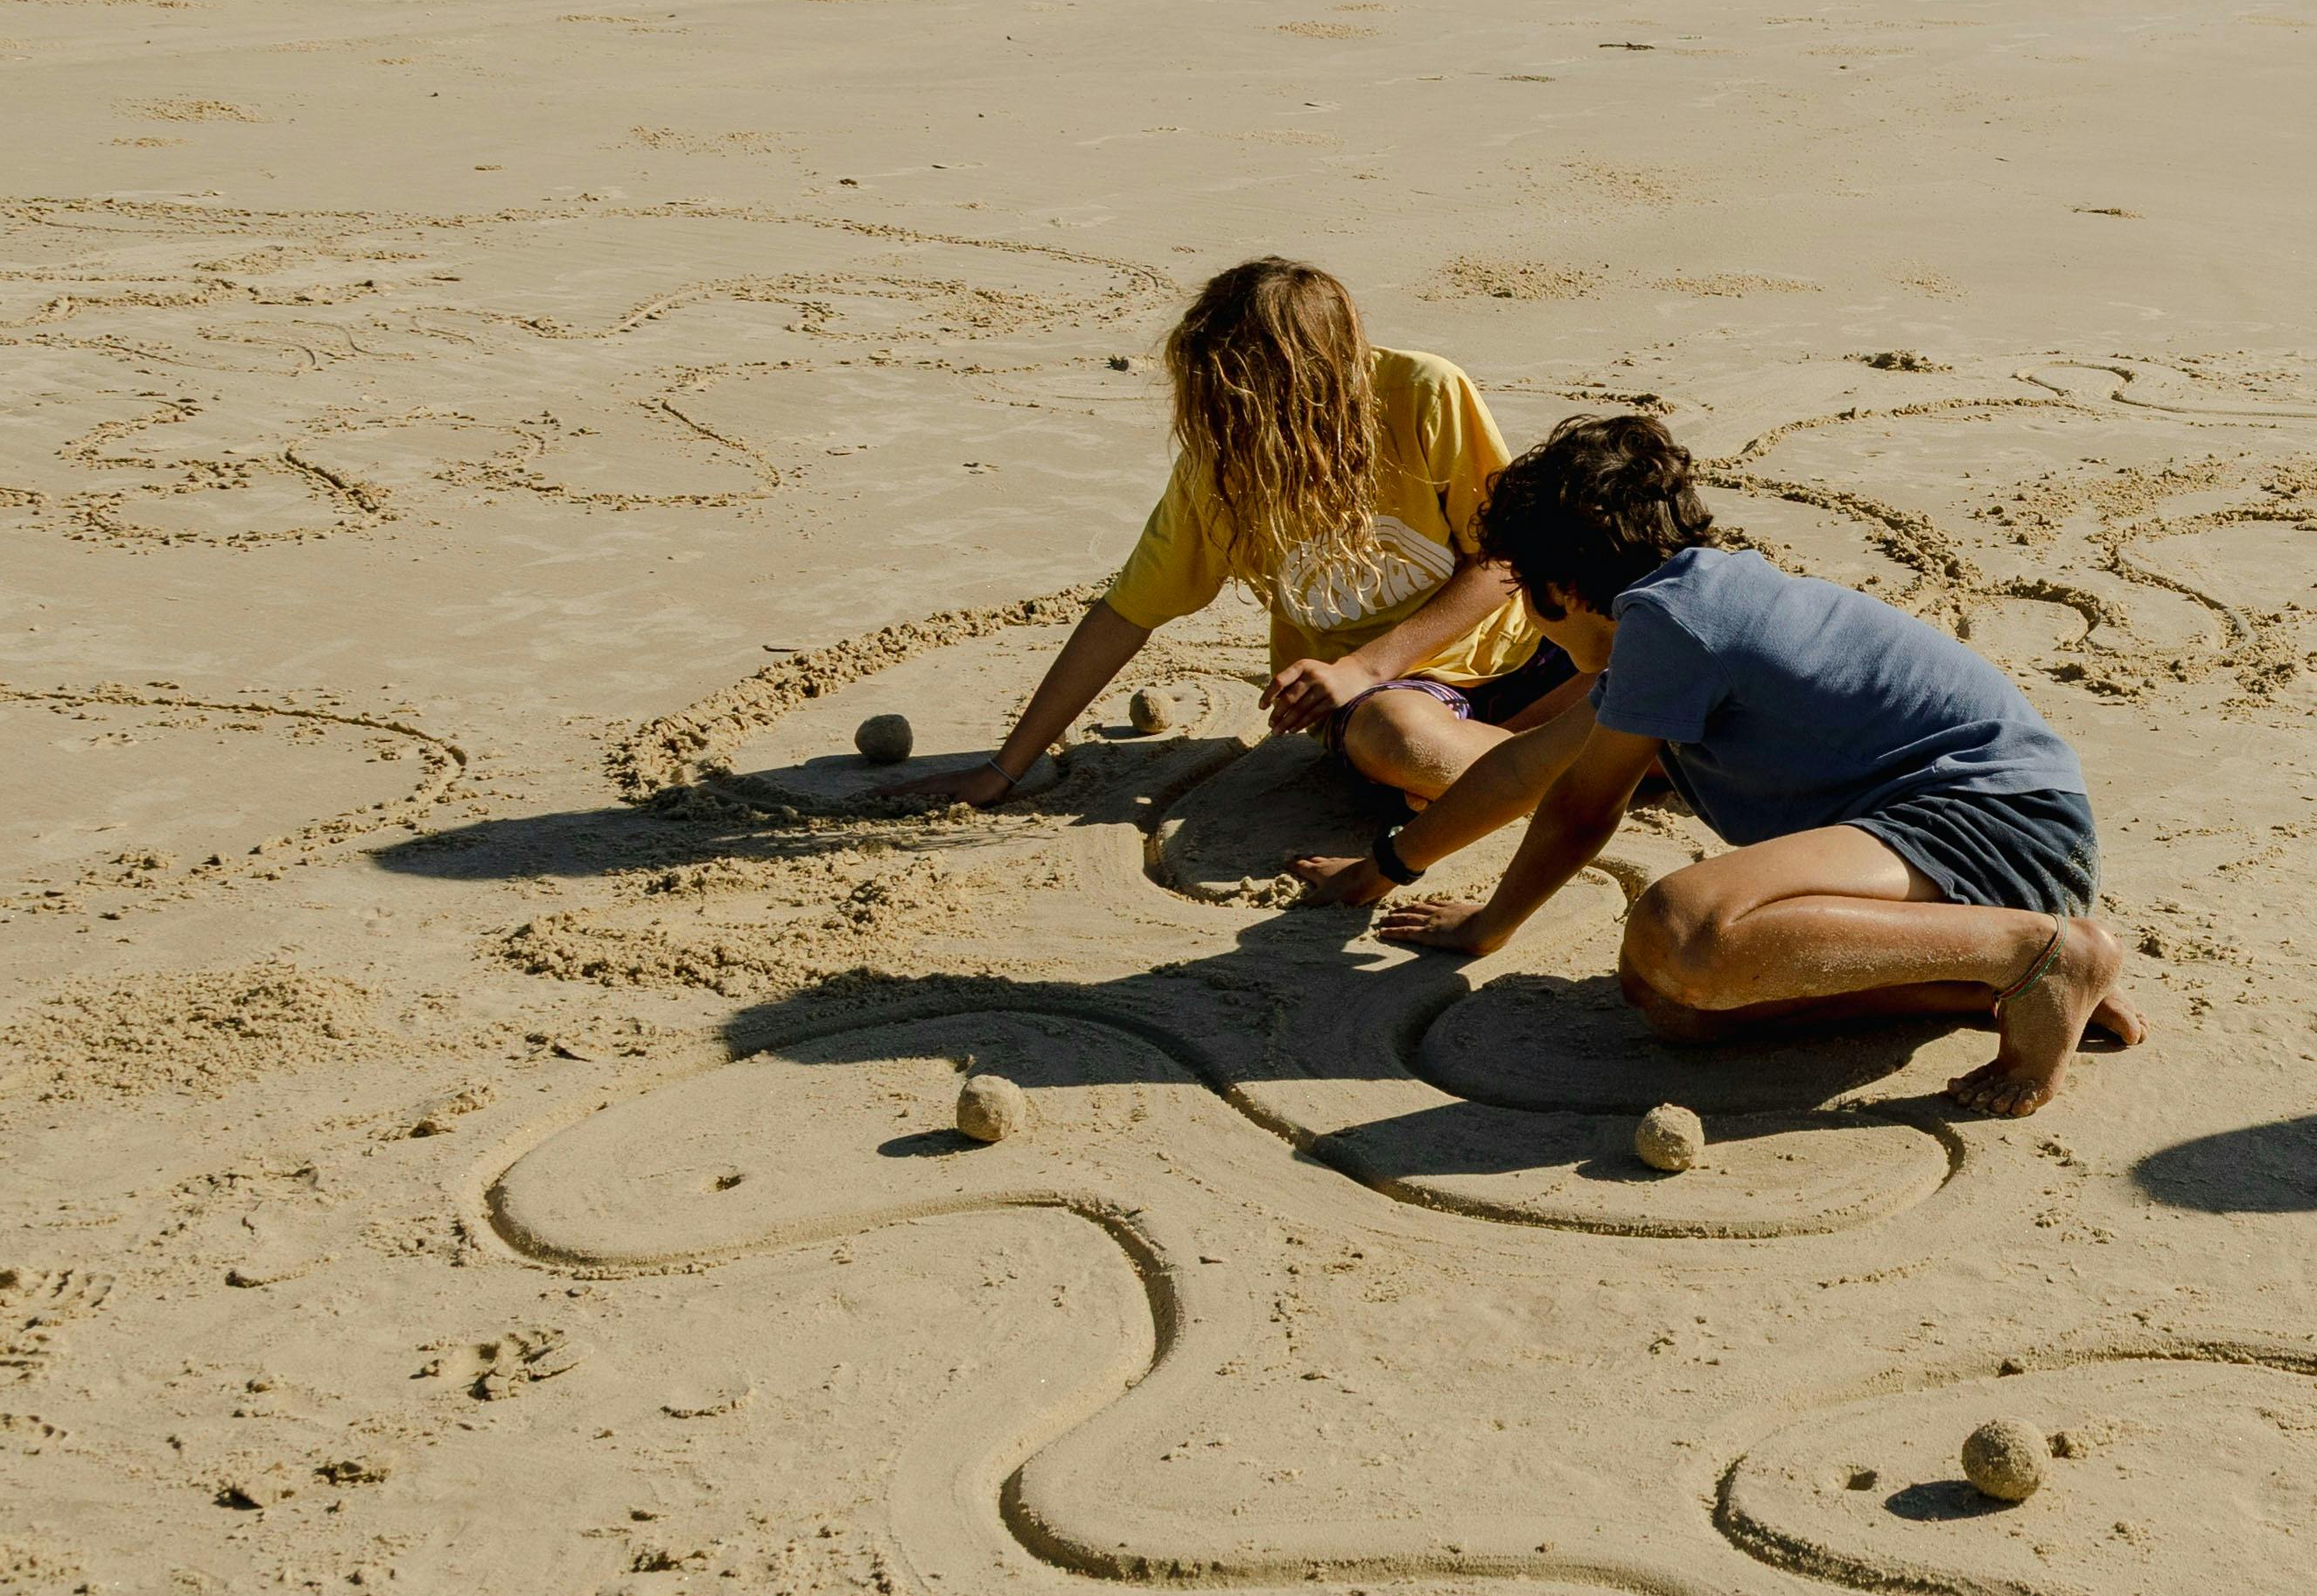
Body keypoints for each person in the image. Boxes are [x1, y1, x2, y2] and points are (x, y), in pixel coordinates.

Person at [1297, 413, 2141, 1117]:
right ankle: (1984, 980)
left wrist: (1488, 926)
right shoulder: (1682, 614)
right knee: (1671, 1001)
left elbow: (1581, 809)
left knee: (1684, 926)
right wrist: (1385, 867)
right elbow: (1527, 768)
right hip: (1938, 843)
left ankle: (2043, 952)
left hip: (1994, 820)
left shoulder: (1671, 622)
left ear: (1560, 584)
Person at [880, 259, 1573, 813]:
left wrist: (1365, 662)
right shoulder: (1219, 465)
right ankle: (1557, 758)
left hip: (1533, 651)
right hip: (1393, 703)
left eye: (1243, 399)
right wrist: (1002, 769)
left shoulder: (1421, 390)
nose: (1223, 419)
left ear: (1322, 377)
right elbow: (1126, 614)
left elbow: (1506, 554)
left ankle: (1515, 762)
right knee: (1398, 740)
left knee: (1661, 605)